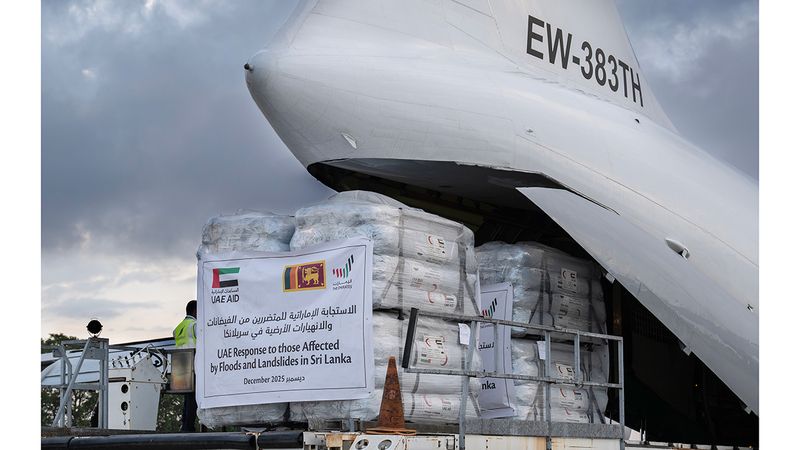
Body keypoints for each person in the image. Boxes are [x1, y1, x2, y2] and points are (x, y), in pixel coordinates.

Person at [173, 300, 197, 432]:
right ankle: (188, 427)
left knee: (188, 397)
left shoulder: (178, 328)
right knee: (193, 398)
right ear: (195, 311)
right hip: (193, 363)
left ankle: (185, 425)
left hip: (181, 364)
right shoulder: (195, 325)